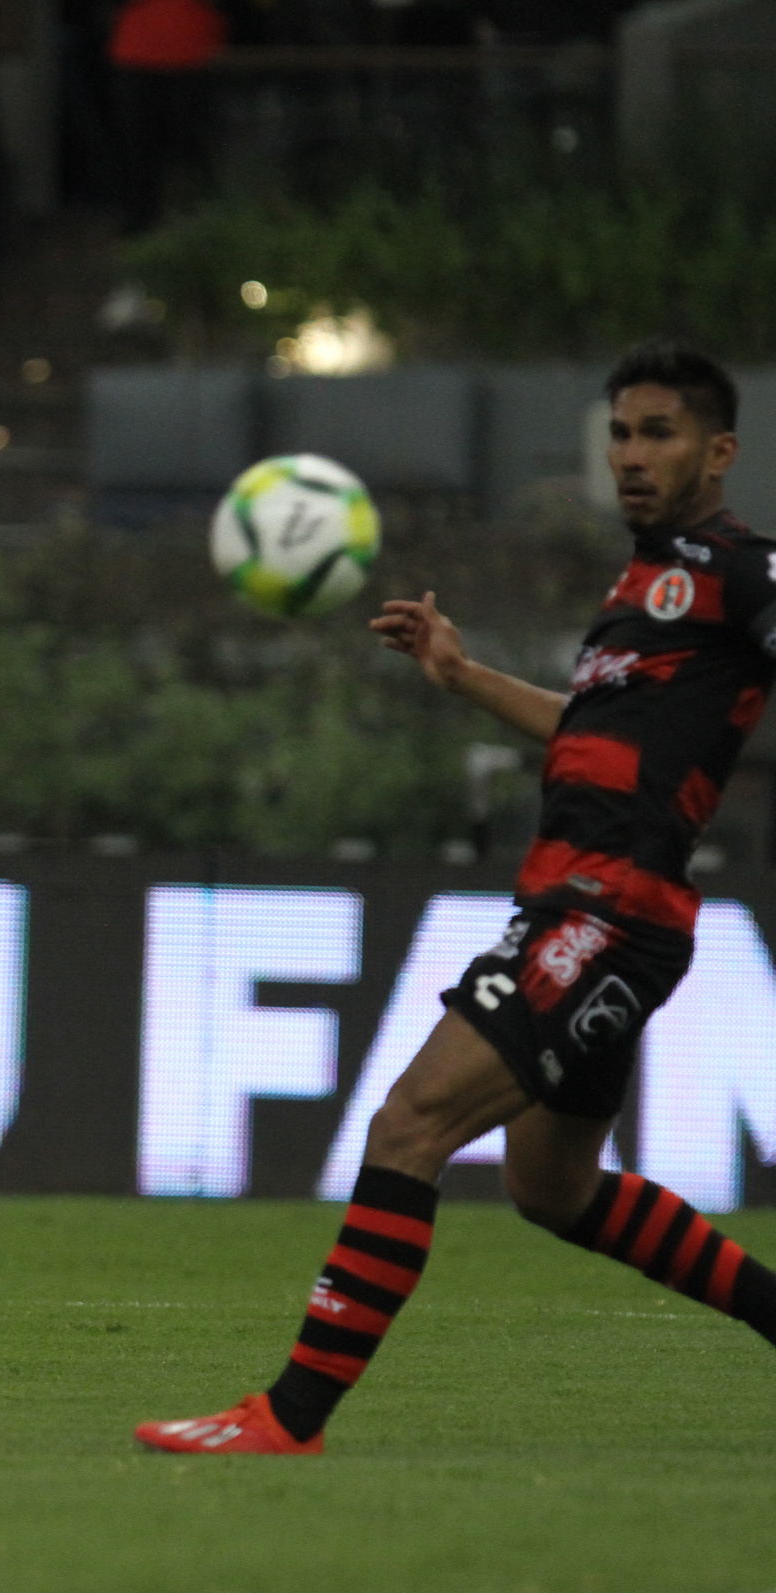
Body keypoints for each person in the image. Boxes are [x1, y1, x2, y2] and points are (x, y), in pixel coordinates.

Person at [140, 340, 776, 1455]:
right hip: (586, 905)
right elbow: (595, 737)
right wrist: (460, 671)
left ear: (718, 450)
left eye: (658, 433)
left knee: (408, 1122)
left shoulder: (735, 568)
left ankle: (289, 1417)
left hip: (605, 911)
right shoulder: (642, 582)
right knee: (555, 1188)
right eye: (619, 432)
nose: (631, 454)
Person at [106, 0, 226, 235]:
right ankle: (147, 216)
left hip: (189, 49)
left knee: (189, 145)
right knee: (141, 146)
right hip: (143, 49)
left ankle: (196, 218)